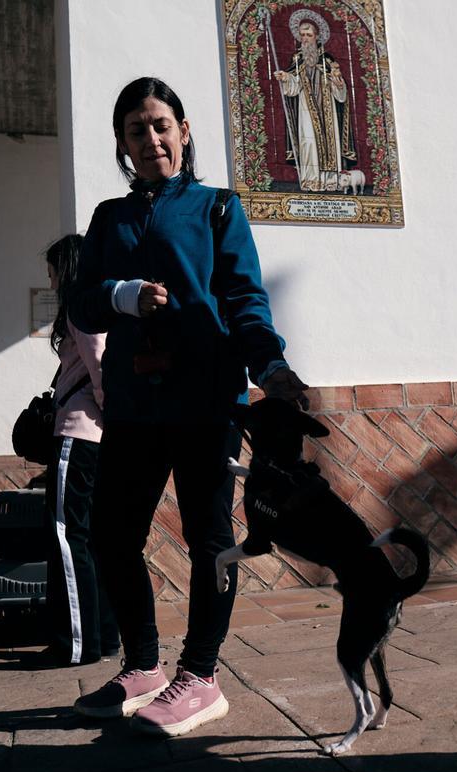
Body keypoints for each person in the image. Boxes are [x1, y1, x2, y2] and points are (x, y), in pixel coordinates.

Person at [67, 77, 309, 736]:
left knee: (210, 542)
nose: (151, 139)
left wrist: (270, 365)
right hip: (133, 407)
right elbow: (81, 303)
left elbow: (245, 298)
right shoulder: (109, 219)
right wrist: (121, 295)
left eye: (160, 125)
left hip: (206, 403)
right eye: (136, 130)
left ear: (184, 130)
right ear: (123, 143)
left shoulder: (218, 208)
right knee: (112, 535)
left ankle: (201, 675)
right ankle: (143, 666)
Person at [41, 233, 119, 665]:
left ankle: (75, 643)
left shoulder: (81, 308)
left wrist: (110, 415)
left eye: (52, 271)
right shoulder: (96, 306)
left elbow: (101, 366)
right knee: (92, 540)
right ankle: (102, 637)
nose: (50, 281)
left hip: (80, 433)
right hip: (96, 435)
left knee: (68, 537)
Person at [273, 11, 356, 191]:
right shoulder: (298, 60)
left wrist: (338, 84)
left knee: (330, 142)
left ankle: (330, 181)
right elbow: (294, 87)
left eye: (309, 35)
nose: (305, 39)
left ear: (317, 36)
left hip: (327, 109)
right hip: (306, 109)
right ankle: (311, 180)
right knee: (308, 143)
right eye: (302, 35)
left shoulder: (328, 61)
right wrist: (286, 78)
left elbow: (340, 91)